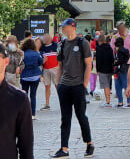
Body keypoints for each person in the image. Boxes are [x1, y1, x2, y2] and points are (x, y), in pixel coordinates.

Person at [51, 18, 95, 158]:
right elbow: (59, 66)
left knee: (81, 116)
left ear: (73, 27)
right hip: (64, 86)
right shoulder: (62, 44)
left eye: (65, 27)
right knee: (65, 118)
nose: (63, 29)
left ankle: (89, 143)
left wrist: (84, 85)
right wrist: (58, 85)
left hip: (78, 86)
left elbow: (89, 65)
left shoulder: (83, 43)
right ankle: (64, 149)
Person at [20, 37, 43, 117]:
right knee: (33, 96)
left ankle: (24, 114)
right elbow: (41, 62)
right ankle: (33, 114)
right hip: (35, 77)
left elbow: (20, 64)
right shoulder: (36, 53)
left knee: (24, 96)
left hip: (24, 77)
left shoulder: (22, 54)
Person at [40, 33, 60, 111]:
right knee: (47, 86)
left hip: (55, 68)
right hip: (46, 69)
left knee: (57, 86)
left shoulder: (55, 45)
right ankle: (47, 104)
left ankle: (62, 102)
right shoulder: (42, 48)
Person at [94, 34, 114, 107]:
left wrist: (98, 69)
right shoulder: (110, 48)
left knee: (105, 86)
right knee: (108, 85)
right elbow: (112, 59)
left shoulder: (99, 48)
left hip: (102, 69)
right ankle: (108, 101)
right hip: (110, 69)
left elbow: (98, 60)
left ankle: (108, 102)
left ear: (99, 41)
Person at [113, 36, 130, 108]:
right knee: (125, 85)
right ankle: (128, 102)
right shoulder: (126, 50)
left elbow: (120, 61)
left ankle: (120, 102)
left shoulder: (119, 51)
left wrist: (114, 63)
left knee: (118, 86)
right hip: (125, 69)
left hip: (120, 69)